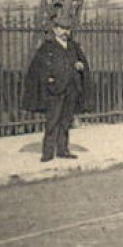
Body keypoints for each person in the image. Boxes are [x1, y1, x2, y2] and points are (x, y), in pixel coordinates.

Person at [23, 21, 89, 163]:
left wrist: (80, 65)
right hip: (55, 90)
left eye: (68, 29)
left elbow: (82, 63)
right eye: (62, 28)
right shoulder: (48, 47)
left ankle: (63, 150)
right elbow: (39, 68)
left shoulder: (73, 47)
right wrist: (49, 80)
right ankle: (47, 153)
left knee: (66, 121)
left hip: (71, 89)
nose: (65, 32)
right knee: (52, 121)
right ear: (55, 30)